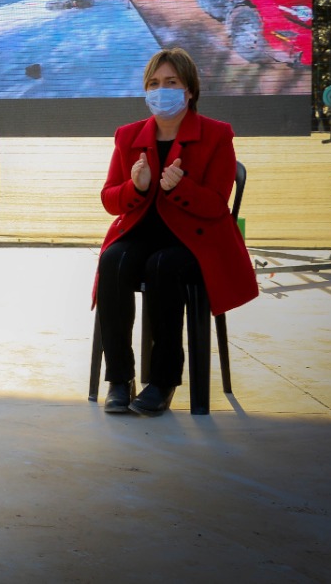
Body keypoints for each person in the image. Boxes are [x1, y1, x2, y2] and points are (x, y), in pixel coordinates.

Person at [93, 48, 258, 417]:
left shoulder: (217, 135)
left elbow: (216, 205)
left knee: (163, 266)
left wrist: (180, 188)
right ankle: (119, 379)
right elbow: (109, 199)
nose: (160, 91)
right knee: (113, 261)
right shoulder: (127, 136)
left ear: (189, 90)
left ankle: (163, 381)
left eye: (171, 82)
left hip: (195, 241)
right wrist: (135, 187)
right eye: (153, 83)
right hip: (140, 235)